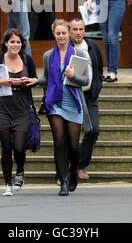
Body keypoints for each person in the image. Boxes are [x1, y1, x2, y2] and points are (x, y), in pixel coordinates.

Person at [36, 19, 91, 197]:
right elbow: (46, 78)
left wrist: (73, 75)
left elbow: (85, 81)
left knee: (73, 146)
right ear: (54, 34)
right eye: (57, 33)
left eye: (63, 33)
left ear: (68, 34)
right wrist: (34, 81)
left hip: (73, 102)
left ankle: (74, 170)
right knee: (59, 141)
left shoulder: (79, 54)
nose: (61, 36)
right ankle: (64, 180)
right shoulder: (47, 55)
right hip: (55, 102)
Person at [0, 28, 38, 197]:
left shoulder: (27, 60)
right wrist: (2, 81)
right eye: (12, 41)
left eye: (18, 42)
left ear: (22, 44)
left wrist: (28, 81)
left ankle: (20, 171)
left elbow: (36, 79)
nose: (15, 45)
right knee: (6, 147)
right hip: (2, 108)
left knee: (19, 147)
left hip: (21, 109)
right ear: (6, 43)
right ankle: (7, 183)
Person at [69, 17, 103, 180]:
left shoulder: (92, 46)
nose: (78, 32)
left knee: (93, 129)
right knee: (69, 135)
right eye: (75, 29)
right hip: (72, 96)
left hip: (90, 96)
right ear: (69, 31)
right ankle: (65, 169)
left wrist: (97, 87)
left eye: (81, 29)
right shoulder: (65, 47)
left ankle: (80, 165)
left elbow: (98, 69)